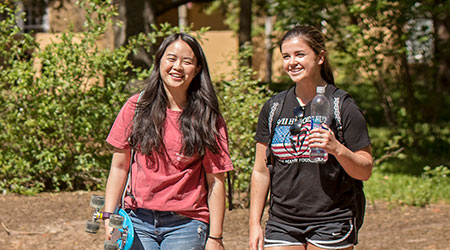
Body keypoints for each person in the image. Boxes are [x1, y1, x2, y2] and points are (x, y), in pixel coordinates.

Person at [103, 33, 234, 250]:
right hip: (137, 220)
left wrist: (215, 237)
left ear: (198, 69)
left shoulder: (208, 118)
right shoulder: (136, 107)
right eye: (171, 58)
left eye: (187, 61)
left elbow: (216, 181)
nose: (178, 67)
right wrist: (109, 216)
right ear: (159, 61)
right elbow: (119, 167)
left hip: (187, 224)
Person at [249, 25, 373, 250]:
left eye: (300, 54)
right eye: (286, 56)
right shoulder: (274, 107)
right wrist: (254, 224)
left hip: (332, 220)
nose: (291, 62)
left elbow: (365, 170)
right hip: (282, 222)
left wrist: (337, 149)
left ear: (320, 57)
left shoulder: (342, 106)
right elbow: (260, 169)